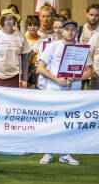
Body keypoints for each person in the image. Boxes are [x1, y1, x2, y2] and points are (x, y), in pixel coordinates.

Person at [35, 19, 88, 166]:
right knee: (52, 121)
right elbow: (40, 67)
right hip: (54, 90)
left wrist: (74, 78)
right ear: (62, 31)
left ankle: (66, 153)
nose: (70, 32)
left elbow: (90, 71)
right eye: (67, 29)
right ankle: (48, 152)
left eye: (73, 29)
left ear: (77, 31)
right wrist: (57, 79)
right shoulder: (53, 46)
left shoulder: (82, 48)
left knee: (69, 122)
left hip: (73, 91)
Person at [0, 11, 30, 88]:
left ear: (14, 21)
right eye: (5, 19)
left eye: (11, 19)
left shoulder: (21, 36)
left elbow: (25, 59)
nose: (8, 22)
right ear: (2, 22)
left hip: (15, 76)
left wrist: (25, 79)